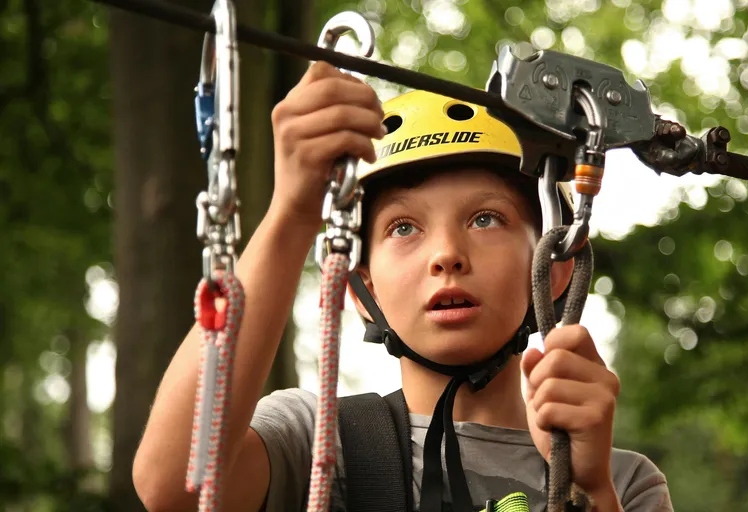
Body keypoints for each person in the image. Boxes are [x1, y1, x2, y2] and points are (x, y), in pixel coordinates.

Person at [132, 61, 674, 512]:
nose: (446, 256)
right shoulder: (318, 445)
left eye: (485, 219)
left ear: (552, 269)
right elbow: (175, 484)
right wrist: (293, 210)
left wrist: (587, 491)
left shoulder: (627, 484)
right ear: (359, 291)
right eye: (404, 228)